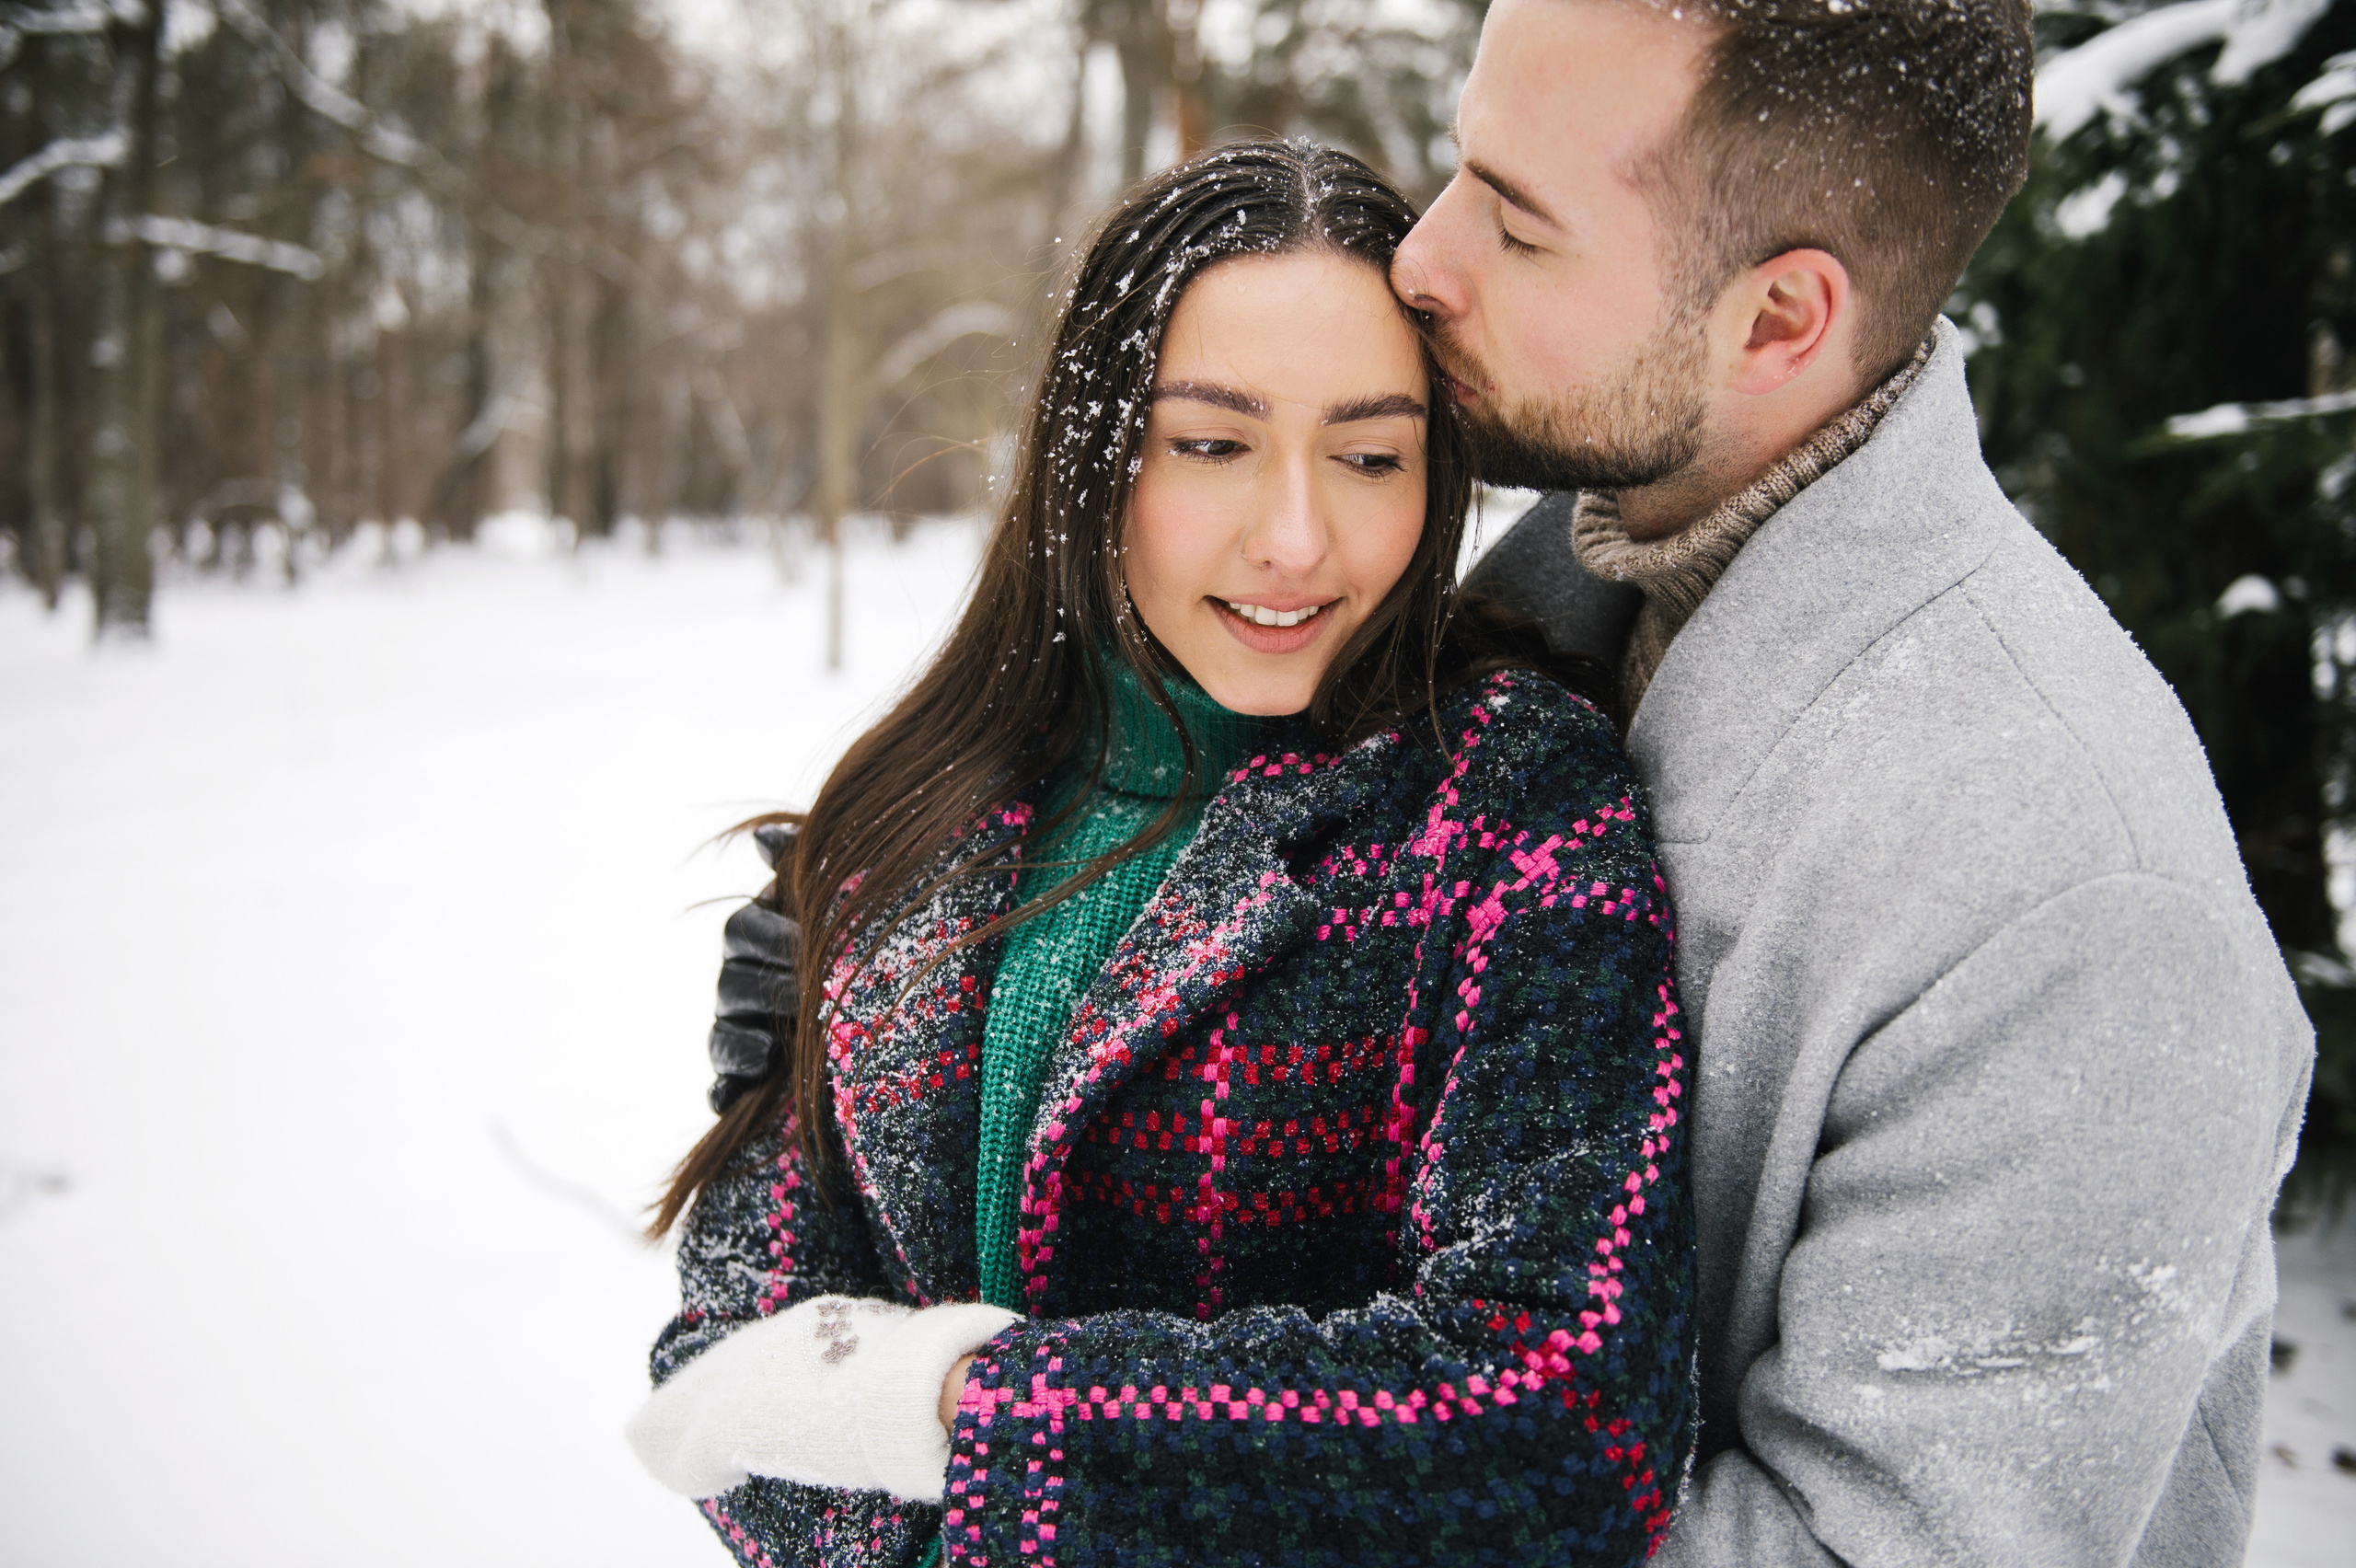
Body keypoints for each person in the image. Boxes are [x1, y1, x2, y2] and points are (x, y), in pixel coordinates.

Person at [627, 140, 1698, 1567]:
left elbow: (1563, 1420)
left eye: (1371, 456)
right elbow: (726, 1368)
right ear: (1099, 455)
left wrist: (952, 1411)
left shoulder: (1508, 811)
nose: (1298, 538)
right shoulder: (907, 813)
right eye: (1212, 445)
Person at [1385, 1, 2316, 1564]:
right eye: (1462, 163)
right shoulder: (1563, 591)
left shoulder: (2077, 900)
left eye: (1518, 223)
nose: (1422, 255)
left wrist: (1198, 1496)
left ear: (1777, 321)